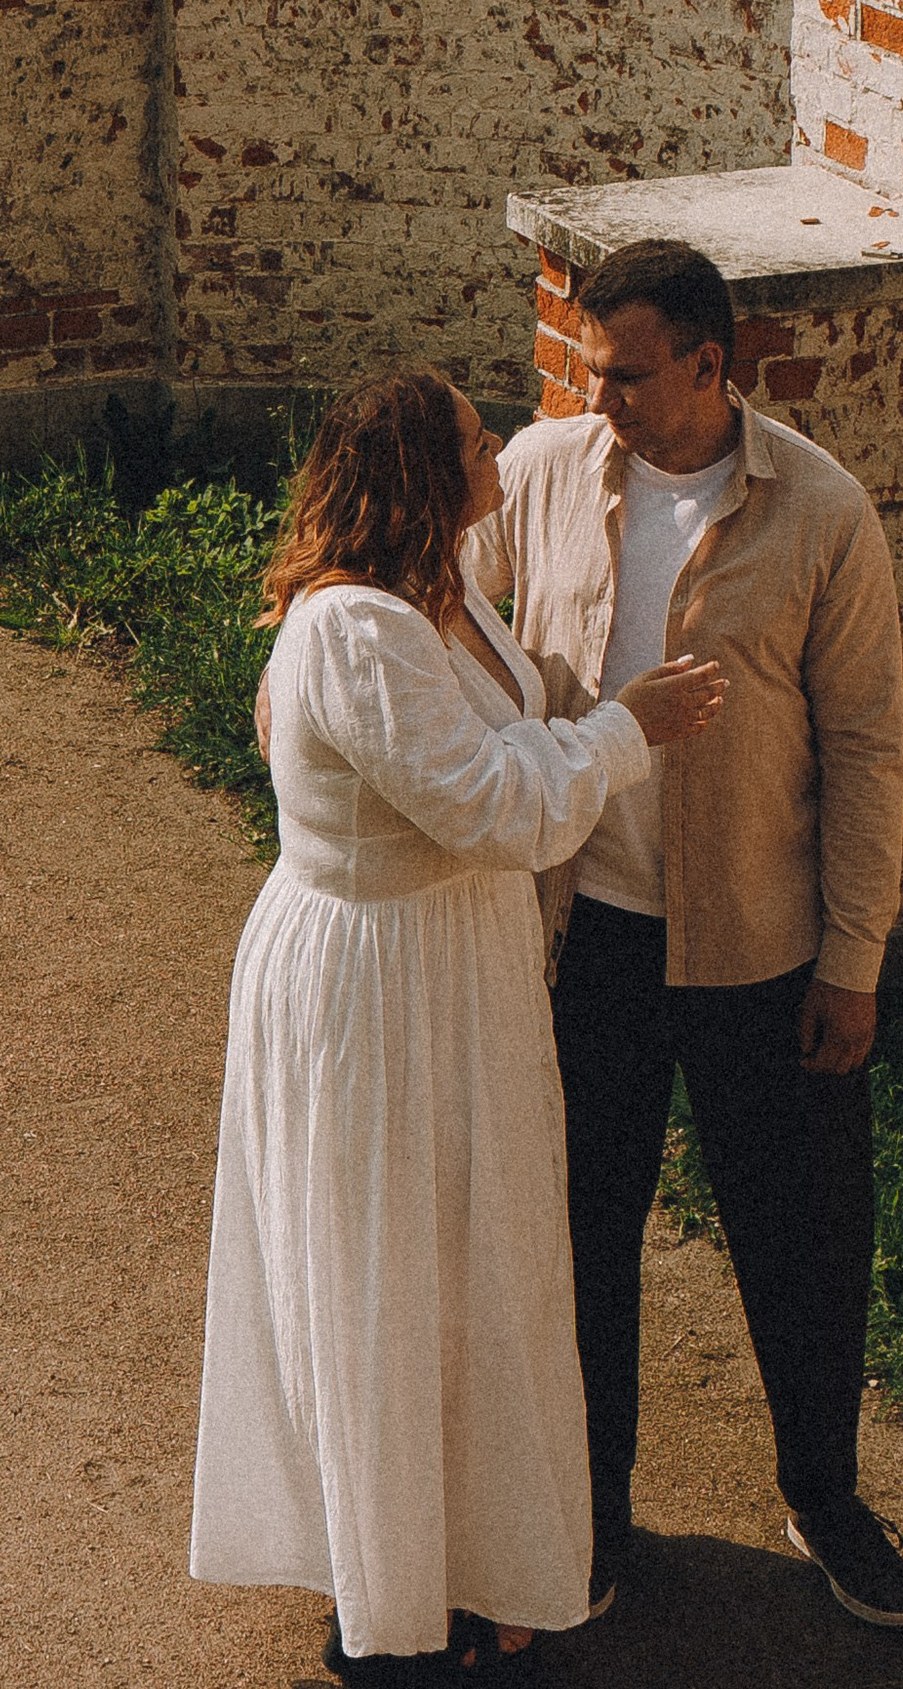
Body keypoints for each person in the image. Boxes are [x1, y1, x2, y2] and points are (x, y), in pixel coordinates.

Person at [192, 367, 727, 1679]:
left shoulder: (441, 596)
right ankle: (389, 1606)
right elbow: (493, 804)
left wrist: (579, 686)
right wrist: (626, 732)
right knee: (385, 1277)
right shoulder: (353, 632)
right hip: (370, 987)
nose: (499, 454)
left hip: (452, 974)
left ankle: (469, 1556)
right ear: (432, 476)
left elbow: (510, 701)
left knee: (467, 1271)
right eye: (480, 442)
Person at [467, 237, 903, 1634]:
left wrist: (855, 958)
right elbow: (454, 622)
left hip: (761, 946)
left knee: (801, 1237)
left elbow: (867, 749)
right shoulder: (545, 474)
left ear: (711, 365)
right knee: (581, 1237)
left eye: (626, 374)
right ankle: (593, 1513)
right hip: (584, 936)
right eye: (589, 370)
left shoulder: (822, 511)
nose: (597, 397)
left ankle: (826, 1501)